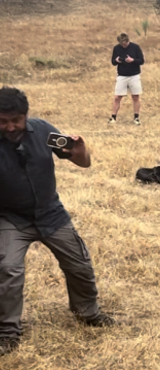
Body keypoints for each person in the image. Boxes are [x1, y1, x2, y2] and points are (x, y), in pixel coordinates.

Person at [0, 86, 115, 356]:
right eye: (3, 121)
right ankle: (7, 331)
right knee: (8, 269)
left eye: (15, 120)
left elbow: (82, 162)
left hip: (51, 213)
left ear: (26, 116)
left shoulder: (42, 131)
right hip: (11, 219)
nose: (10, 126)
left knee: (79, 263)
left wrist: (81, 151)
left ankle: (88, 313)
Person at [110, 32, 145, 125]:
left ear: (127, 41)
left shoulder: (135, 47)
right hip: (122, 75)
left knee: (135, 96)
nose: (124, 45)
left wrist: (133, 60)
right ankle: (113, 117)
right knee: (117, 97)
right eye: (122, 44)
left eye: (125, 43)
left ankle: (136, 118)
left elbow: (141, 61)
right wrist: (117, 61)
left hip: (134, 75)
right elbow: (113, 62)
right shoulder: (116, 48)